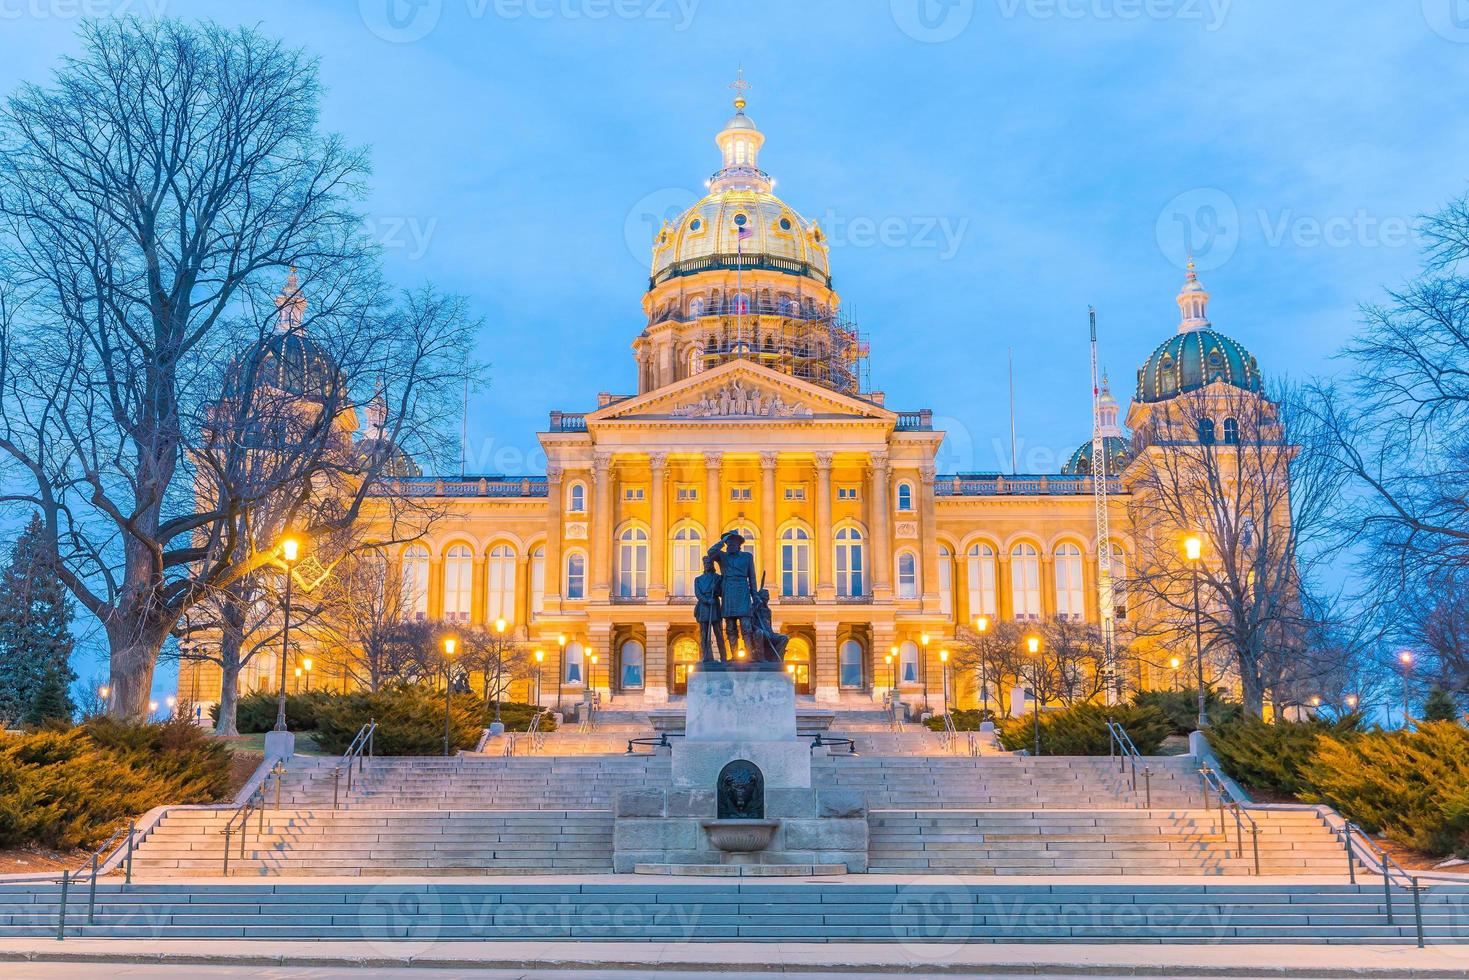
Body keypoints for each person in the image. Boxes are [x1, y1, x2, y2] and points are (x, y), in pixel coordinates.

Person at [706, 531, 758, 661]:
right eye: (728, 543)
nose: (730, 546)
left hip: (742, 589)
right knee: (730, 626)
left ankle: (750, 655)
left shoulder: (747, 557)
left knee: (746, 625)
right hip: (728, 589)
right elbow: (710, 552)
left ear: (739, 544)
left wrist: (755, 594)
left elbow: (752, 576)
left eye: (733, 543)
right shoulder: (723, 557)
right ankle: (734, 656)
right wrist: (722, 541)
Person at [693, 555, 727, 664]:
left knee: (719, 634)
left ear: (712, 565)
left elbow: (722, 592)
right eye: (705, 564)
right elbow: (698, 593)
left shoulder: (717, 578)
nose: (707, 565)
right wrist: (707, 600)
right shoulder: (698, 580)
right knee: (704, 634)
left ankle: (723, 658)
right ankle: (706, 657)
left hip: (715, 605)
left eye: (709, 564)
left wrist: (716, 589)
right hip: (704, 606)